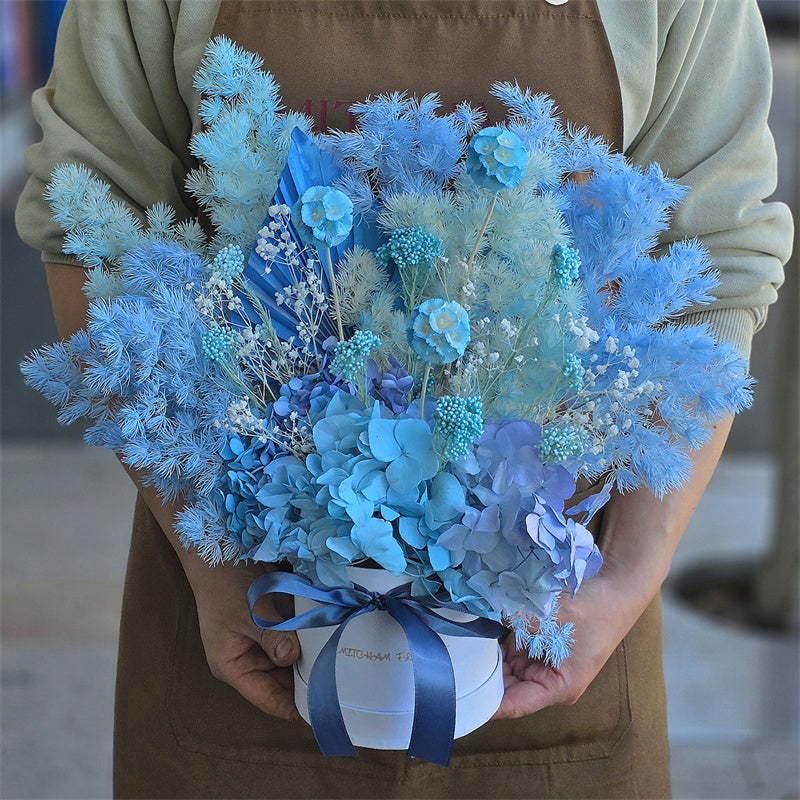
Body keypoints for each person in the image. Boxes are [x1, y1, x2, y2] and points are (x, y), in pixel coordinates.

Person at [16, 0, 793, 797]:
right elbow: (95, 230)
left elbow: (718, 260)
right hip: (250, 624)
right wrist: (213, 570)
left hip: (553, 642)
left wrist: (628, 571)